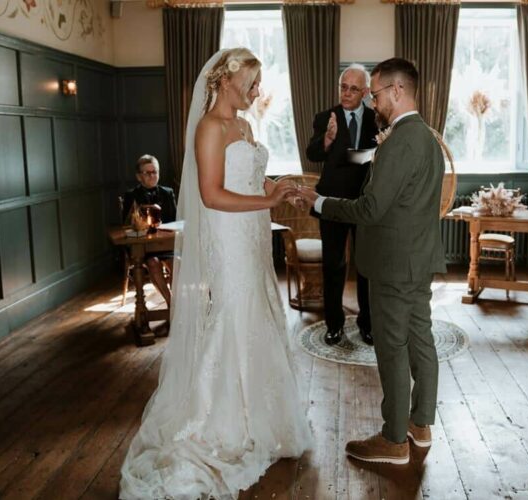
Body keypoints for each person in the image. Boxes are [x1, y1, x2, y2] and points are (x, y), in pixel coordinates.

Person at [119, 48, 312, 500]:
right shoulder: (209, 128)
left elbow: (251, 180)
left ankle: (261, 415)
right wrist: (267, 202)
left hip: (253, 233)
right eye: (252, 82)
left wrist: (279, 189)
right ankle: (222, 418)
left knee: (260, 311)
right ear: (225, 81)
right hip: (228, 234)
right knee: (234, 311)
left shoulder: (245, 126)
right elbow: (210, 195)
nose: (257, 91)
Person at [298, 57, 446, 465]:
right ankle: (420, 424)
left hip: (394, 264)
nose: (373, 101)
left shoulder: (400, 140)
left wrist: (321, 202)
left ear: (397, 91)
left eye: (377, 93)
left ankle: (394, 440)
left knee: (394, 350)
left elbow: (370, 209)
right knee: (421, 341)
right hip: (418, 258)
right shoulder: (427, 138)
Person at [306, 64, 378, 346]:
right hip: (332, 203)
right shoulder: (326, 117)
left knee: (366, 267)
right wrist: (327, 139)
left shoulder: (377, 118)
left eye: (353, 88)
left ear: (366, 92)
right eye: (342, 87)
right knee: (333, 266)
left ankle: (367, 323)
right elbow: (312, 153)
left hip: (365, 203)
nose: (346, 93)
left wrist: (352, 157)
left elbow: (380, 155)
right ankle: (334, 325)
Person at [120, 154, 177, 305]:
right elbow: (127, 227)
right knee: (153, 263)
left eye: (155, 172)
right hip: (144, 247)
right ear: (139, 176)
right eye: (147, 172)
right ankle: (171, 303)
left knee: (178, 265)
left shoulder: (168, 193)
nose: (152, 176)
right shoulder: (131, 195)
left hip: (166, 244)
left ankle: (178, 303)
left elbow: (175, 220)